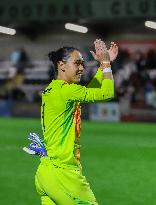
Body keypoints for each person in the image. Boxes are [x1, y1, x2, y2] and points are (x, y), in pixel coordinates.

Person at [24, 39, 118, 205]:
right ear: (62, 65)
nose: (82, 68)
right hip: (63, 174)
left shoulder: (56, 89)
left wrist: (105, 64)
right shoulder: (66, 91)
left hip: (46, 172)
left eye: (82, 63)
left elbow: (90, 91)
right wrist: (105, 63)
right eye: (77, 63)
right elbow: (106, 92)